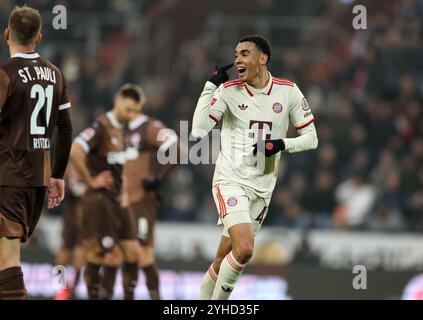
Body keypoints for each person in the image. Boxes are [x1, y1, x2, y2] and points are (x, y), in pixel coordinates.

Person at [192, 34, 318, 300]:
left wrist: (280, 144)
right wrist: (209, 86)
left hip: (263, 189)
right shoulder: (228, 91)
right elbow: (199, 130)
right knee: (246, 250)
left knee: (223, 259)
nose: (238, 58)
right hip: (231, 181)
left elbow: (311, 139)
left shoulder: (288, 91)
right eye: (236, 54)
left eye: (245, 53)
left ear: (263, 59)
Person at [0, 6, 73, 299]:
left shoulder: (5, 74)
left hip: (9, 176)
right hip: (38, 180)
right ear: (39, 37)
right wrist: (57, 175)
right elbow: (66, 129)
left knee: (7, 258)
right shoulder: (55, 74)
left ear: (6, 34)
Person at [70, 84, 142, 300]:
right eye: (127, 109)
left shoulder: (125, 130)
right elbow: (75, 150)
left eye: (134, 111)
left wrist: (126, 189)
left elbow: (120, 166)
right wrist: (90, 180)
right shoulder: (101, 126)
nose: (130, 115)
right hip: (100, 200)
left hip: (119, 200)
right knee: (99, 253)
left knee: (133, 254)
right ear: (117, 102)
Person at [123, 87, 178, 300]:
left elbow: (177, 149)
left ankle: (156, 298)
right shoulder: (119, 130)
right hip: (124, 202)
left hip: (142, 201)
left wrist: (159, 178)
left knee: (143, 254)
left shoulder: (151, 127)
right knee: (124, 254)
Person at [54, 164, 86, 300]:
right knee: (66, 252)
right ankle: (63, 289)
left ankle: (69, 289)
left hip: (85, 216)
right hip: (73, 214)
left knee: (77, 253)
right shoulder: (70, 162)